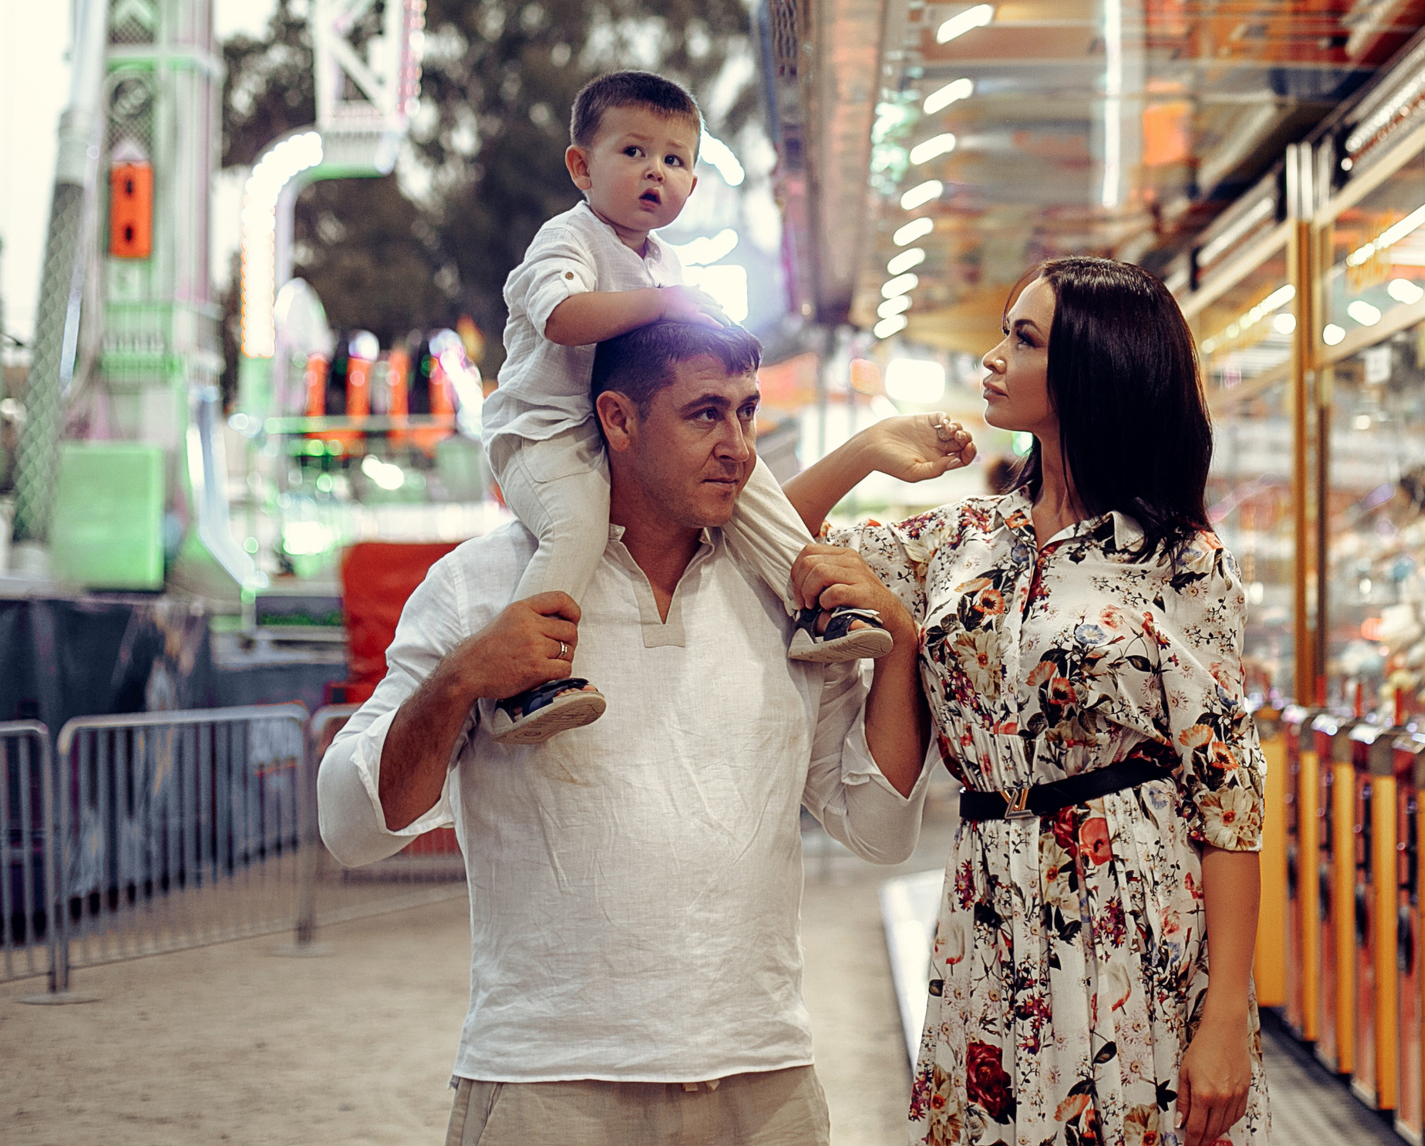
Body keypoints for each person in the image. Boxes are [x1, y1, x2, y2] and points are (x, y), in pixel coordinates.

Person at [319, 317, 972, 1146]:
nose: (737, 443)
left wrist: (902, 645)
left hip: (763, 1081)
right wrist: (461, 679)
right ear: (618, 419)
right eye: (704, 413)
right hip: (548, 1083)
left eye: (746, 410)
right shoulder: (484, 586)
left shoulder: (785, 594)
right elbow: (348, 825)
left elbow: (880, 828)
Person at [817, 257, 1268, 1146]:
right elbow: (766, 535)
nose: (993, 357)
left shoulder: (1180, 560)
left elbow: (1227, 797)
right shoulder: (964, 537)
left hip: (1132, 916)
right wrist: (869, 448)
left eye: (1022, 339)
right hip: (988, 906)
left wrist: (1222, 1018)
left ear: (1090, 373)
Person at [480, 71, 924, 745]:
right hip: (544, 435)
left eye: (675, 159)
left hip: (624, 435)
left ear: (692, 183)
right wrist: (666, 302)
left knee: (748, 482)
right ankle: (519, 679)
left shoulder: (668, 263)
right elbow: (563, 317)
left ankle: (812, 605)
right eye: (633, 152)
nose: (654, 170)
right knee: (575, 526)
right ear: (581, 166)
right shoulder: (567, 240)